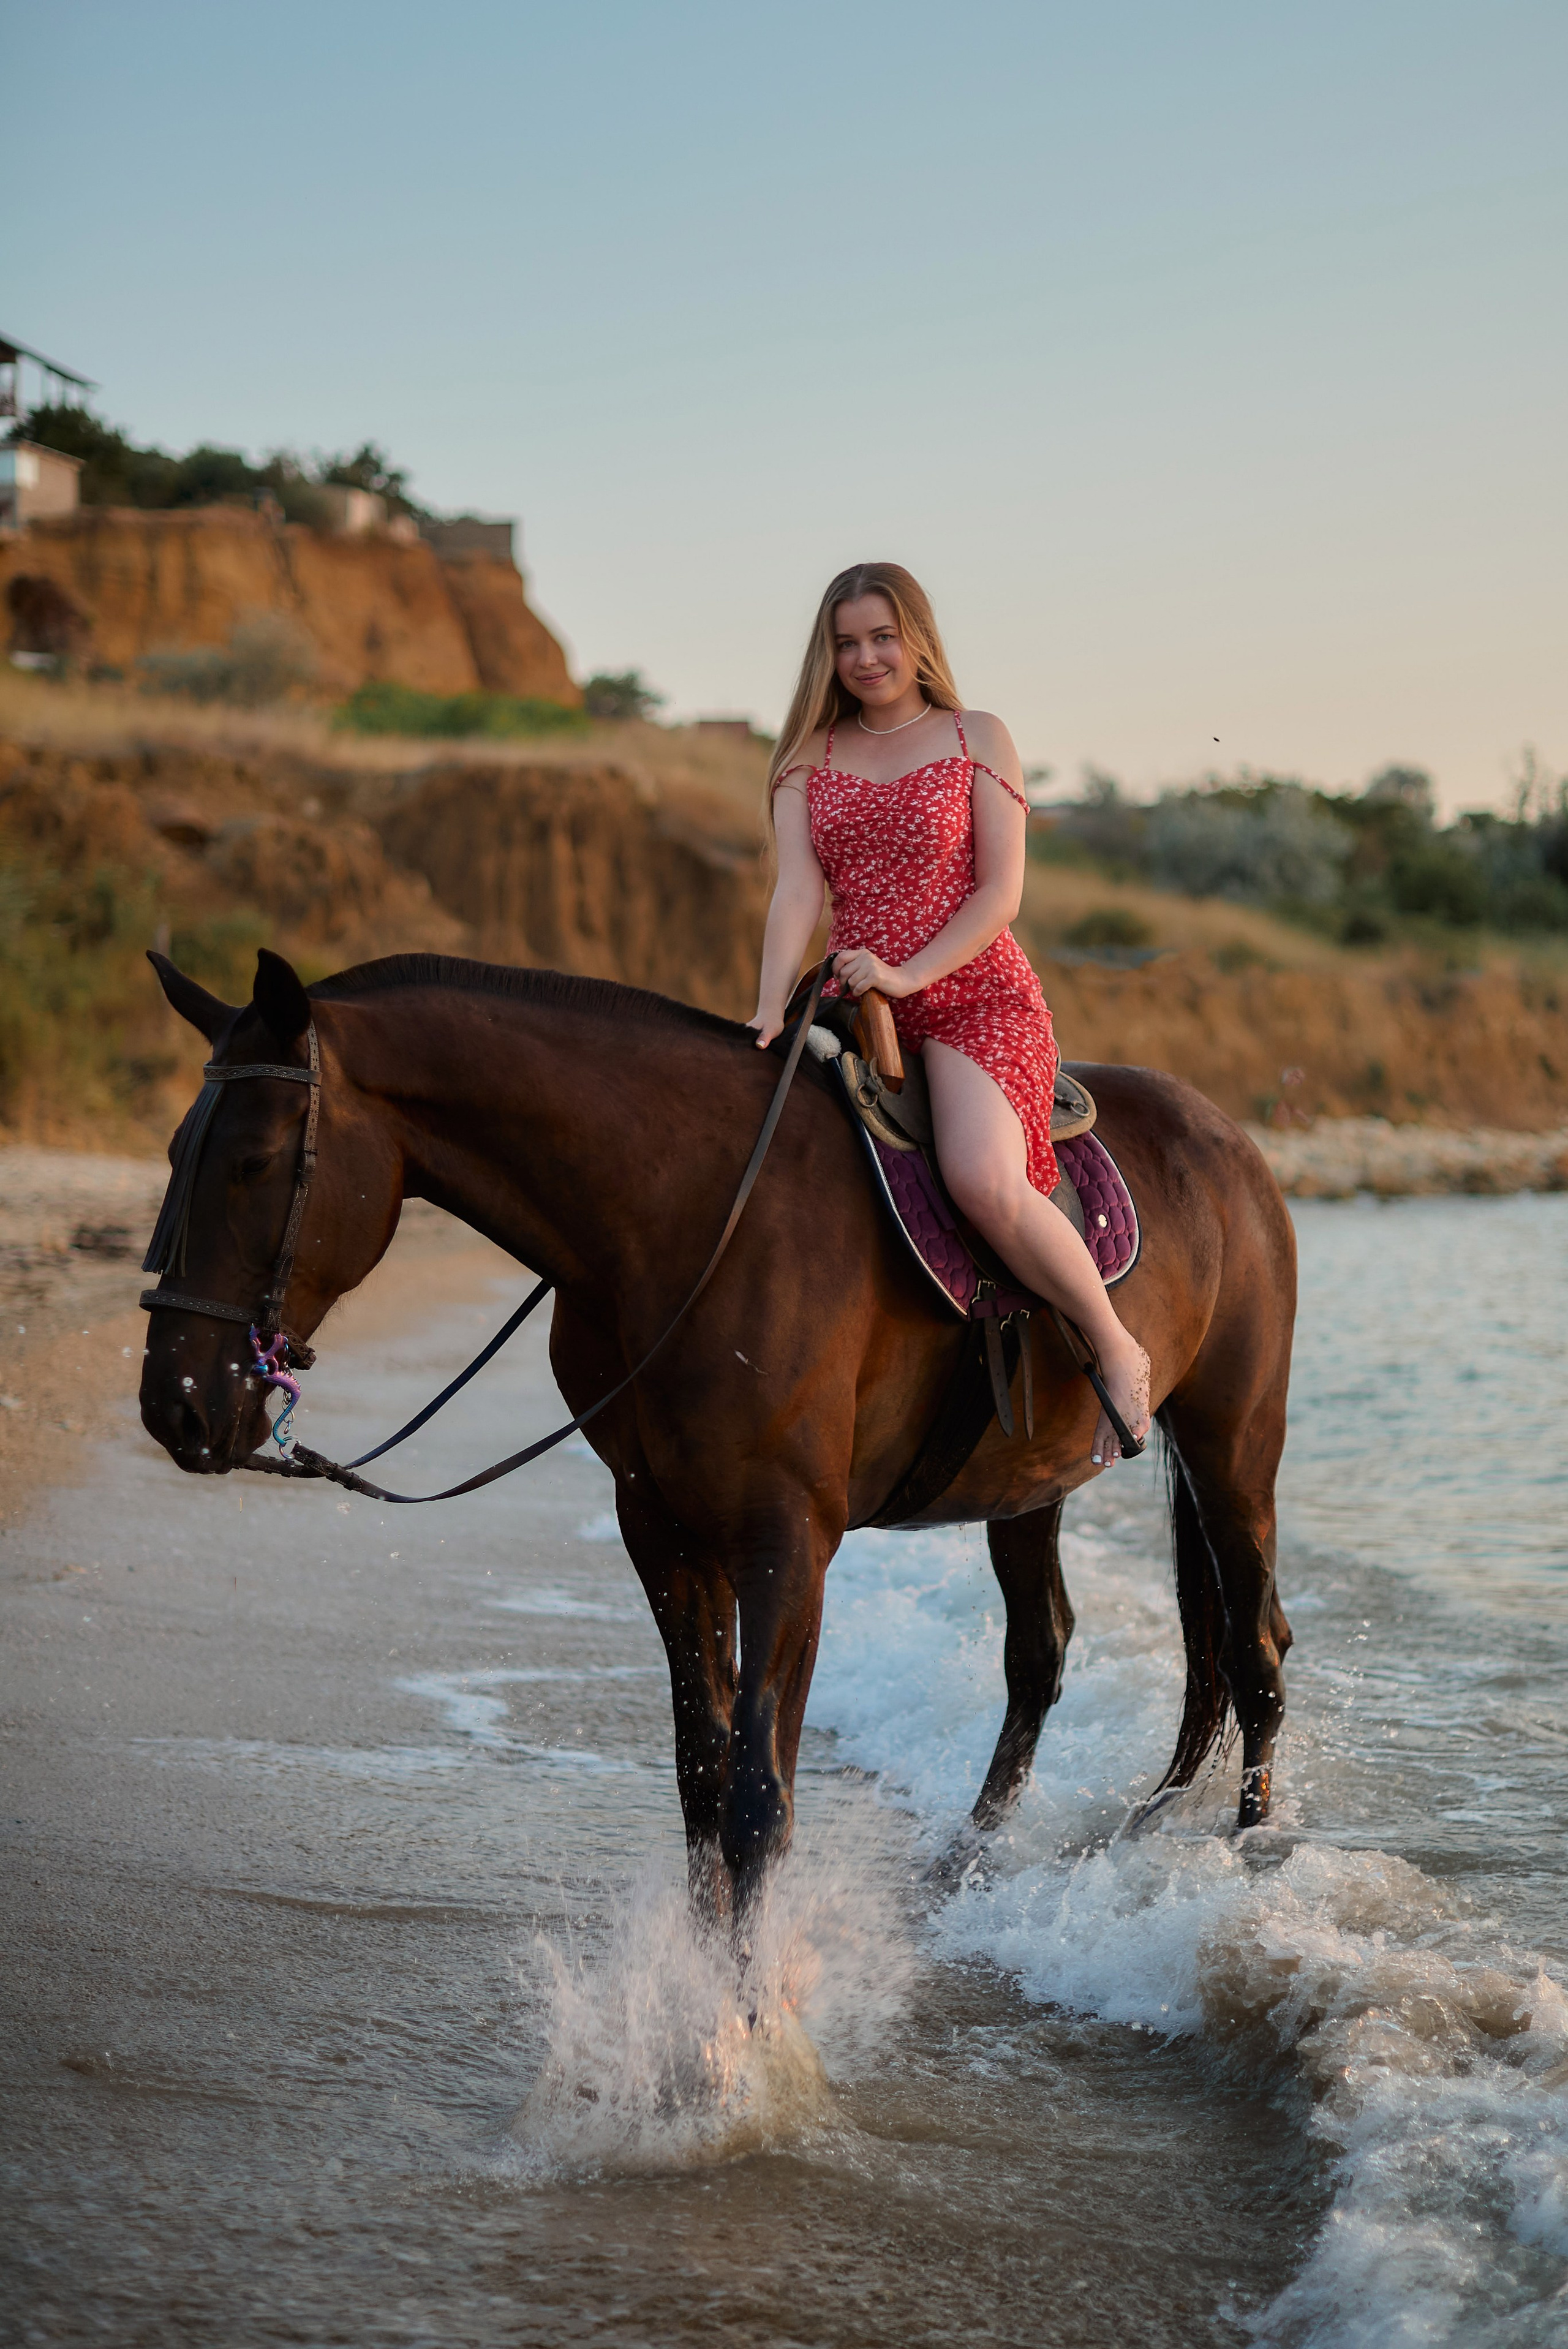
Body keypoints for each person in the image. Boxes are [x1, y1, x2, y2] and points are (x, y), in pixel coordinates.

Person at [748, 561, 1151, 1466]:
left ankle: (1115, 1343)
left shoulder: (977, 736)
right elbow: (796, 894)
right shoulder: (807, 756)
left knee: (980, 1177)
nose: (865, 658)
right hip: (859, 1001)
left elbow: (999, 894)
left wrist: (907, 971)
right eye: (846, 643)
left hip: (976, 995)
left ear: (917, 637)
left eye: (882, 637)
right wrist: (769, 1011)